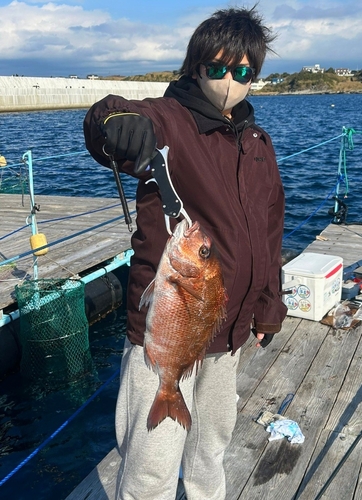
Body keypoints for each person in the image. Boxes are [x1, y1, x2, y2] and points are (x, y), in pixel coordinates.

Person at [83, 6, 287, 500]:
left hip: (231, 331)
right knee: (152, 462)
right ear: (196, 66)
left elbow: (269, 233)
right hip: (164, 340)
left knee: (210, 449)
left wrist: (268, 308)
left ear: (253, 78)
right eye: (218, 68)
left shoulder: (259, 144)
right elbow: (110, 114)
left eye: (243, 73)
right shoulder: (169, 123)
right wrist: (116, 122)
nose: (229, 82)